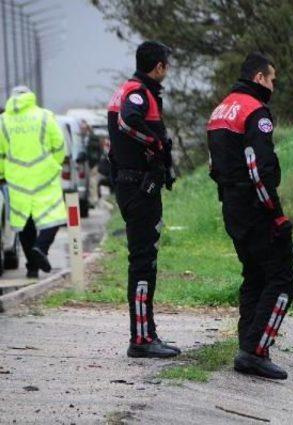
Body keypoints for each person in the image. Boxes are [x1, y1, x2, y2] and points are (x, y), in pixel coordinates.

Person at [206, 52, 293, 380]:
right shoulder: (255, 111)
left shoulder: (221, 109)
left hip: (231, 205)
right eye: (272, 79)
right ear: (259, 78)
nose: (273, 85)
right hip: (255, 207)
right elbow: (258, 168)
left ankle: (249, 346)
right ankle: (256, 350)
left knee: (255, 276)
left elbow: (214, 166)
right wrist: (275, 213)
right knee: (283, 278)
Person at [107, 41, 179, 358]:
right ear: (159, 67)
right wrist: (156, 144)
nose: (168, 71)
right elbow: (128, 121)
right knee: (143, 264)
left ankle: (146, 334)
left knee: (144, 261)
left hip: (133, 185)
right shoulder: (137, 92)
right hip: (139, 188)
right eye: (167, 65)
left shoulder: (131, 89)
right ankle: (141, 339)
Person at [0, 86, 66, 279]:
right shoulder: (45, 116)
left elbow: (1, 153)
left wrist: (3, 174)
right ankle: (41, 248)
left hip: (17, 180)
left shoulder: (3, 121)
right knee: (53, 216)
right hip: (44, 177)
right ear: (30, 97)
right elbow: (59, 144)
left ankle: (32, 267)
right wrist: (55, 164)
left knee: (24, 223)